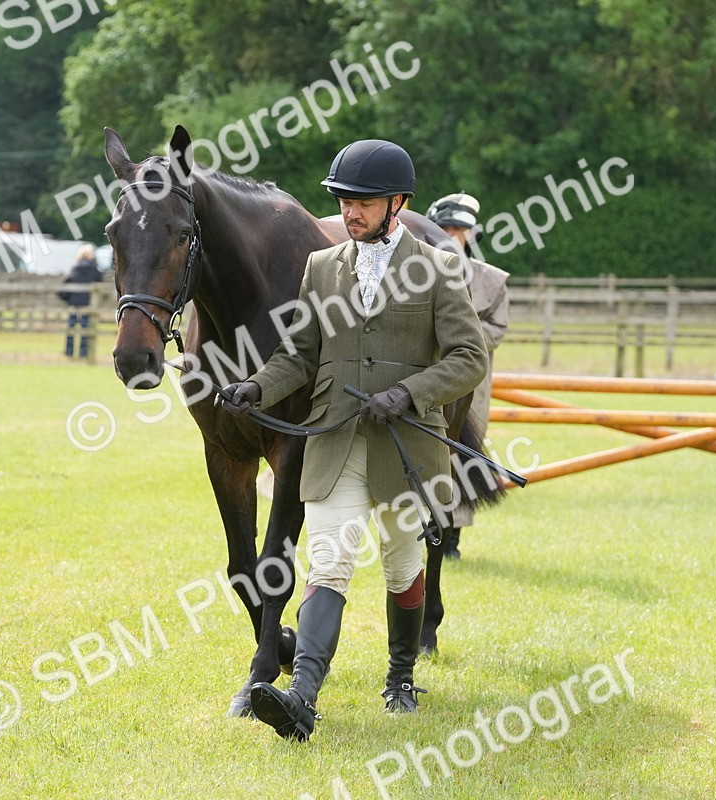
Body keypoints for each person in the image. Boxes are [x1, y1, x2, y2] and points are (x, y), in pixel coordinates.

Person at [217, 139, 489, 741]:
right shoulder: (322, 268)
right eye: (343, 202)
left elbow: (470, 357)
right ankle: (302, 698)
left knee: (401, 564)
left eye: (362, 202)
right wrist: (256, 389)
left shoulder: (440, 268)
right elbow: (299, 355)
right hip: (336, 441)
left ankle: (400, 676)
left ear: (399, 202)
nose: (349, 213)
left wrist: (411, 392)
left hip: (406, 448)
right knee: (330, 560)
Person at [426, 193, 510, 560]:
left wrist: (461, 338)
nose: (451, 235)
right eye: (445, 228)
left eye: (458, 230)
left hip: (469, 378)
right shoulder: (417, 274)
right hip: (425, 374)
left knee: (460, 454)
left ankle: (452, 537)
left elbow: (497, 327)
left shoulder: (492, 280)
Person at [59, 244, 102, 358]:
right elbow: (100, 282)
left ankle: (69, 351)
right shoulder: (94, 270)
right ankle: (83, 352)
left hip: (74, 303)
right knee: (86, 328)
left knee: (71, 328)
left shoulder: (75, 268)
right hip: (88, 303)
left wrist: (67, 298)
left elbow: (65, 284)